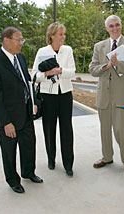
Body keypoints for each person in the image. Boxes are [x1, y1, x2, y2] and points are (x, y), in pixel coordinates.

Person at [0, 26, 43, 194]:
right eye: (19, 39)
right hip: (8, 118)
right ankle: (13, 180)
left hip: (26, 113)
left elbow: (27, 82)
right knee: (9, 152)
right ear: (6, 40)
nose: (21, 43)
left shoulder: (21, 58)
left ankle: (28, 172)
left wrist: (33, 102)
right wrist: (5, 122)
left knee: (29, 145)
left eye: (22, 40)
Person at [89, 15, 124, 174]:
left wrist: (119, 64)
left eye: (117, 25)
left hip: (123, 95)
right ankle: (107, 157)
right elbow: (92, 70)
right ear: (106, 28)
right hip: (104, 95)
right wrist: (107, 65)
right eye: (111, 26)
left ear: (121, 25)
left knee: (121, 129)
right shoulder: (99, 46)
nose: (114, 28)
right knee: (105, 129)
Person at [32, 22, 76, 177]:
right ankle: (51, 159)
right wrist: (48, 73)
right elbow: (35, 76)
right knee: (49, 128)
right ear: (51, 36)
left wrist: (60, 71)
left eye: (64, 34)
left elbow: (72, 71)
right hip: (47, 95)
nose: (63, 37)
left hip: (65, 94)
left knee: (66, 129)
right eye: (60, 34)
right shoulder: (42, 51)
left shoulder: (67, 50)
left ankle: (68, 163)